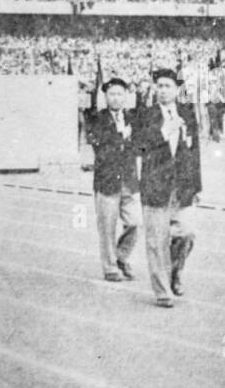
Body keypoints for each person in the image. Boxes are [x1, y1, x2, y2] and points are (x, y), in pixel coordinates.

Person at [136, 68, 201, 308]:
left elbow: (194, 152)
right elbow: (139, 145)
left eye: (167, 86)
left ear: (176, 90)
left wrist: (197, 186)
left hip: (182, 187)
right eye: (159, 86)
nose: (163, 90)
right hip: (155, 186)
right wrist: (165, 130)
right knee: (156, 242)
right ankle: (162, 291)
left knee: (187, 233)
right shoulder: (146, 114)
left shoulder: (187, 114)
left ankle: (175, 271)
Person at [86, 77, 141, 282]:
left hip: (129, 180)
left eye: (119, 94)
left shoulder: (133, 118)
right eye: (112, 94)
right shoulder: (96, 118)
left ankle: (121, 257)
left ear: (126, 96)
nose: (116, 98)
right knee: (107, 228)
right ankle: (110, 268)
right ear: (106, 97)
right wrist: (122, 136)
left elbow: (140, 146)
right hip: (107, 181)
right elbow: (100, 146)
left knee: (135, 222)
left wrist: (129, 138)